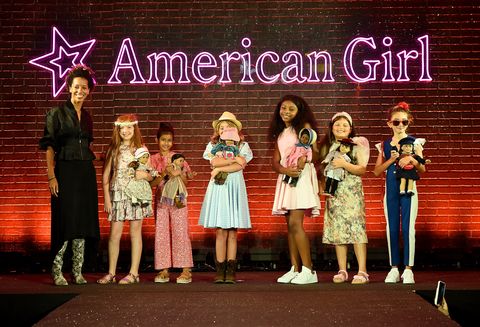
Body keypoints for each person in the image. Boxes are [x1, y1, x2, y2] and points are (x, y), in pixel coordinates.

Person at [39, 65, 100, 286]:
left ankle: (77, 271)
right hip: (64, 172)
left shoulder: (87, 117)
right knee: (65, 220)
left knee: (82, 221)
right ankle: (57, 271)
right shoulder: (56, 114)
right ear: (69, 87)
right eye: (76, 87)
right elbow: (49, 147)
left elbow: (86, 146)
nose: (80, 91)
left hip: (85, 173)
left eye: (84, 87)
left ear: (88, 91)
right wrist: (51, 176)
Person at [269, 95, 320, 285]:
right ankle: (295, 268)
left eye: (291, 109)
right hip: (286, 178)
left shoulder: (304, 127)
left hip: (300, 177)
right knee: (290, 226)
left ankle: (309, 270)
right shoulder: (281, 132)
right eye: (283, 108)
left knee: (296, 224)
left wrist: (303, 160)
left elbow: (314, 153)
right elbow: (275, 161)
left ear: (299, 111)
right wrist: (284, 170)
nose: (286, 112)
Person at [97, 114, 154, 285]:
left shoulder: (141, 149)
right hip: (118, 196)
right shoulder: (114, 149)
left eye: (130, 127)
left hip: (135, 195)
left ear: (135, 128)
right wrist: (107, 199)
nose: (126, 131)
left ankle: (134, 273)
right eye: (123, 128)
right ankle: (111, 272)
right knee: (114, 235)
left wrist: (144, 174)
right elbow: (106, 177)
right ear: (118, 130)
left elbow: (150, 175)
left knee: (135, 233)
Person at [373, 102, 426, 284]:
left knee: (408, 228)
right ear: (389, 124)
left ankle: (408, 269)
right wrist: (392, 160)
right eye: (396, 122)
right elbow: (377, 171)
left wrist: (413, 159)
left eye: (404, 122)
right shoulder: (384, 144)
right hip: (392, 190)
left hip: (410, 189)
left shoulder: (415, 143)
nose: (400, 125)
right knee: (392, 228)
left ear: (409, 122)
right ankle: (394, 267)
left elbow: (423, 169)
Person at [199, 111, 253, 284]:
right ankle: (220, 269)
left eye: (228, 127)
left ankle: (230, 270)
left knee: (232, 231)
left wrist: (220, 169)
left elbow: (241, 164)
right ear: (218, 131)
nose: (225, 130)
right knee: (221, 230)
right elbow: (214, 162)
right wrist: (229, 162)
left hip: (235, 186)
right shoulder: (213, 145)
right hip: (220, 188)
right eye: (221, 127)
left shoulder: (243, 145)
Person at [319, 112, 370, 284]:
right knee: (338, 230)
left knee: (356, 229)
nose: (340, 128)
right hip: (335, 194)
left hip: (352, 192)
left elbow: (362, 169)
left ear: (350, 129)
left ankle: (362, 271)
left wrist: (344, 164)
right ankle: (342, 270)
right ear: (331, 128)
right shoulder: (330, 147)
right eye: (337, 125)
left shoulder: (357, 145)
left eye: (344, 125)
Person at [150, 123, 195, 284]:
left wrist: (178, 172)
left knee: (181, 231)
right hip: (162, 199)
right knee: (161, 233)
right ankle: (163, 270)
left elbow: (187, 181)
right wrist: (164, 173)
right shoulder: (152, 159)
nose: (166, 143)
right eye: (163, 140)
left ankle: (185, 270)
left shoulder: (179, 158)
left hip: (178, 198)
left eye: (169, 140)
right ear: (157, 140)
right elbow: (152, 184)